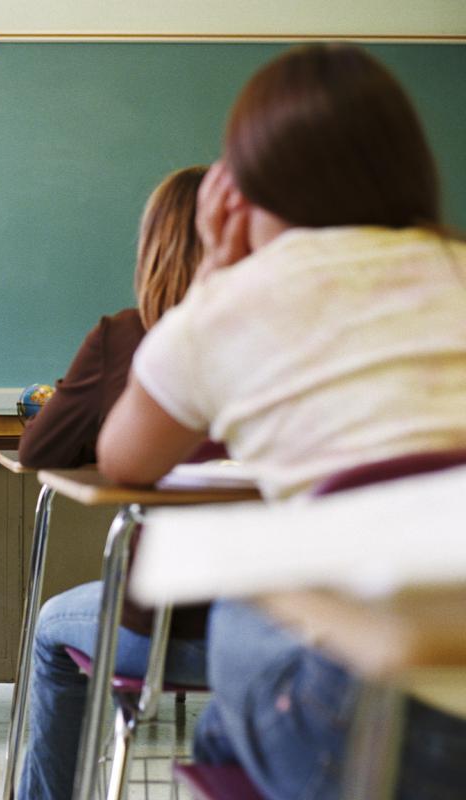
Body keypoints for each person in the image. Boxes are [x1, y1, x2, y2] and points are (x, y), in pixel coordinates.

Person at [97, 44, 466, 799]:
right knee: (224, 729)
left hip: (367, 727)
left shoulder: (228, 307)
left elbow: (124, 460)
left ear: (242, 193)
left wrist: (208, 285)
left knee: (248, 598)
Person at [15, 165, 209, 800]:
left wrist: (113, 431)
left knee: (50, 624)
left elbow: (40, 449)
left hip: (168, 634)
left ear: (152, 246)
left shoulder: (126, 337)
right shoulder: (290, 342)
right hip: (294, 632)